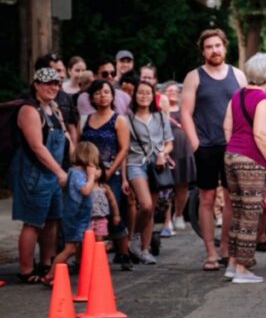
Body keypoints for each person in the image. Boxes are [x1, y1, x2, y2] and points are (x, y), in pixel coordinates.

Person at [180, 29, 247, 271]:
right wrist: (195, 144)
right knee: (207, 198)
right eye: (209, 47)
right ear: (203, 51)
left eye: (217, 45)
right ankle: (210, 251)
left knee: (231, 199)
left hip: (233, 145)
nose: (214, 50)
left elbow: (246, 109)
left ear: (225, 47)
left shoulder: (238, 75)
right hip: (206, 145)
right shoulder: (194, 77)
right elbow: (185, 113)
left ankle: (226, 248)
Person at [222, 53, 266, 284]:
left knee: (238, 212)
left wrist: (235, 148)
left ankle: (232, 263)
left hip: (231, 156)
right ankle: (243, 268)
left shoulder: (237, 95)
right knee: (250, 214)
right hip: (251, 161)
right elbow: (260, 133)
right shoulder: (262, 98)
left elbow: (226, 126)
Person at [11, 68, 70, 284]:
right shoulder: (29, 110)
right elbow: (37, 147)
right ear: (36, 84)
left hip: (52, 174)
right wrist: (59, 171)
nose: (53, 87)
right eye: (48, 83)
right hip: (34, 174)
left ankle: (46, 262)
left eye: (56, 83)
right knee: (33, 222)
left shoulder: (53, 109)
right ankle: (26, 269)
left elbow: (65, 138)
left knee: (53, 219)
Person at [80, 78, 134, 269]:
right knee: (88, 213)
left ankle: (124, 253)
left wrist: (110, 172)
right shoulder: (85, 119)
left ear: (112, 96)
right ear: (91, 98)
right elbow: (80, 147)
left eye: (106, 92)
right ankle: (88, 257)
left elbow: (124, 148)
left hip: (111, 173)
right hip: (87, 174)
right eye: (97, 93)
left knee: (112, 211)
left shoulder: (119, 119)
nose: (102, 96)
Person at [125, 80, 174, 265]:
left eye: (148, 93)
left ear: (153, 96)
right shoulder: (127, 119)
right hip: (135, 163)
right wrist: (123, 178)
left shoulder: (160, 116)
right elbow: (124, 149)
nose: (144, 96)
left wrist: (163, 153)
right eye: (140, 93)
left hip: (156, 165)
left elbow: (169, 142)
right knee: (145, 205)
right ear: (134, 95)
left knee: (150, 209)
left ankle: (144, 250)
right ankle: (134, 238)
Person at [45, 141, 101, 284]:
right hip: (74, 217)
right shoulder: (76, 173)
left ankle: (85, 272)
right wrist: (91, 177)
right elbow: (85, 190)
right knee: (70, 249)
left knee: (83, 245)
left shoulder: (78, 173)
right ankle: (51, 275)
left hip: (80, 216)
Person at [161, 81, 195, 235]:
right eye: (169, 90)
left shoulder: (185, 110)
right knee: (167, 187)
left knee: (183, 186)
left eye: (175, 90)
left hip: (184, 151)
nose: (173, 93)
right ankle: (166, 219)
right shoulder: (161, 111)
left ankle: (179, 213)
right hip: (168, 152)